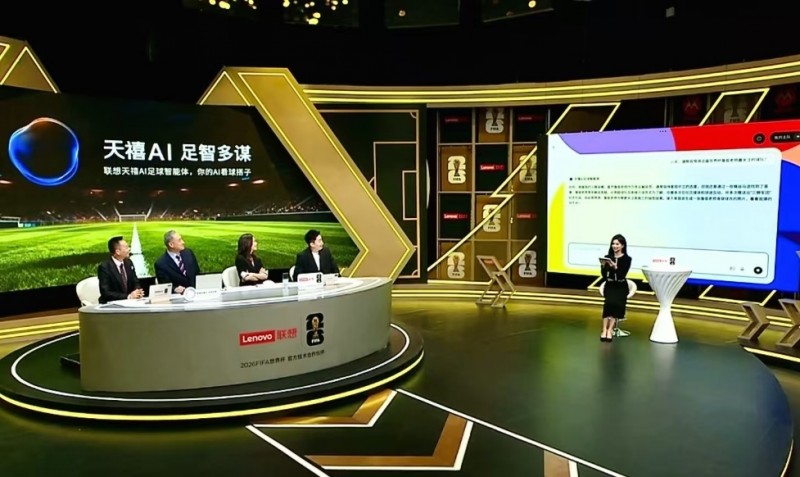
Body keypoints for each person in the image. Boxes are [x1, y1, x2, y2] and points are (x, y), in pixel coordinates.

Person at [599, 234, 632, 342]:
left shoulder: (627, 259)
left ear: (622, 245)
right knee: (608, 304)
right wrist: (603, 266)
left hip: (621, 286)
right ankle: (604, 329)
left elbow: (622, 274)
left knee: (616, 304)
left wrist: (615, 267)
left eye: (617, 244)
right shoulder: (608, 257)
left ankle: (610, 330)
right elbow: (604, 276)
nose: (615, 246)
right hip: (610, 285)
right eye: (613, 244)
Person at [97, 236, 144, 304]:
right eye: (126, 247)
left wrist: (137, 292)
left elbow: (135, 281)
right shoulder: (105, 267)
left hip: (130, 303)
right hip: (111, 305)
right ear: (118, 252)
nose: (129, 249)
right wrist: (128, 296)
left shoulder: (129, 263)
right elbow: (106, 293)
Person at [154, 230, 201, 294]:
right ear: (171, 244)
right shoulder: (161, 264)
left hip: (196, 293)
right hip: (179, 297)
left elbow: (197, 273)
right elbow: (165, 286)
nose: (183, 242)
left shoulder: (189, 253)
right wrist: (175, 289)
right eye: (179, 240)